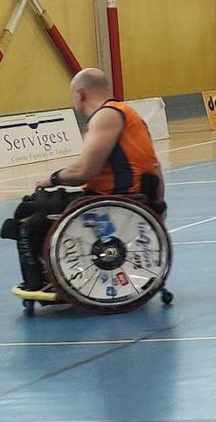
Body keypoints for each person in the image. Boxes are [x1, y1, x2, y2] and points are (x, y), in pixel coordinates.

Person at [2, 68, 165, 294]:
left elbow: (85, 171)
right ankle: (50, 272)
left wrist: (52, 178)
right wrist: (156, 207)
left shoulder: (106, 115)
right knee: (35, 207)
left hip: (112, 200)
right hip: (130, 199)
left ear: (80, 93)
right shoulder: (126, 112)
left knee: (31, 213)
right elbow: (156, 168)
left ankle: (42, 279)